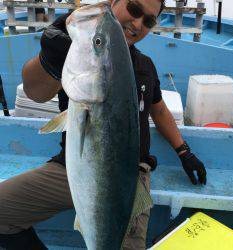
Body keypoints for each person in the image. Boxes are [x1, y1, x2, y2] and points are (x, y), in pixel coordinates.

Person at [0, 0, 207, 249]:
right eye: (134, 9)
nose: (139, 23)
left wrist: (184, 151)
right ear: (113, 2)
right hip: (71, 167)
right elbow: (35, 92)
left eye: (149, 20)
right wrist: (49, 60)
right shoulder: (76, 53)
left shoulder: (145, 66)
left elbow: (159, 109)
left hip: (129, 176)